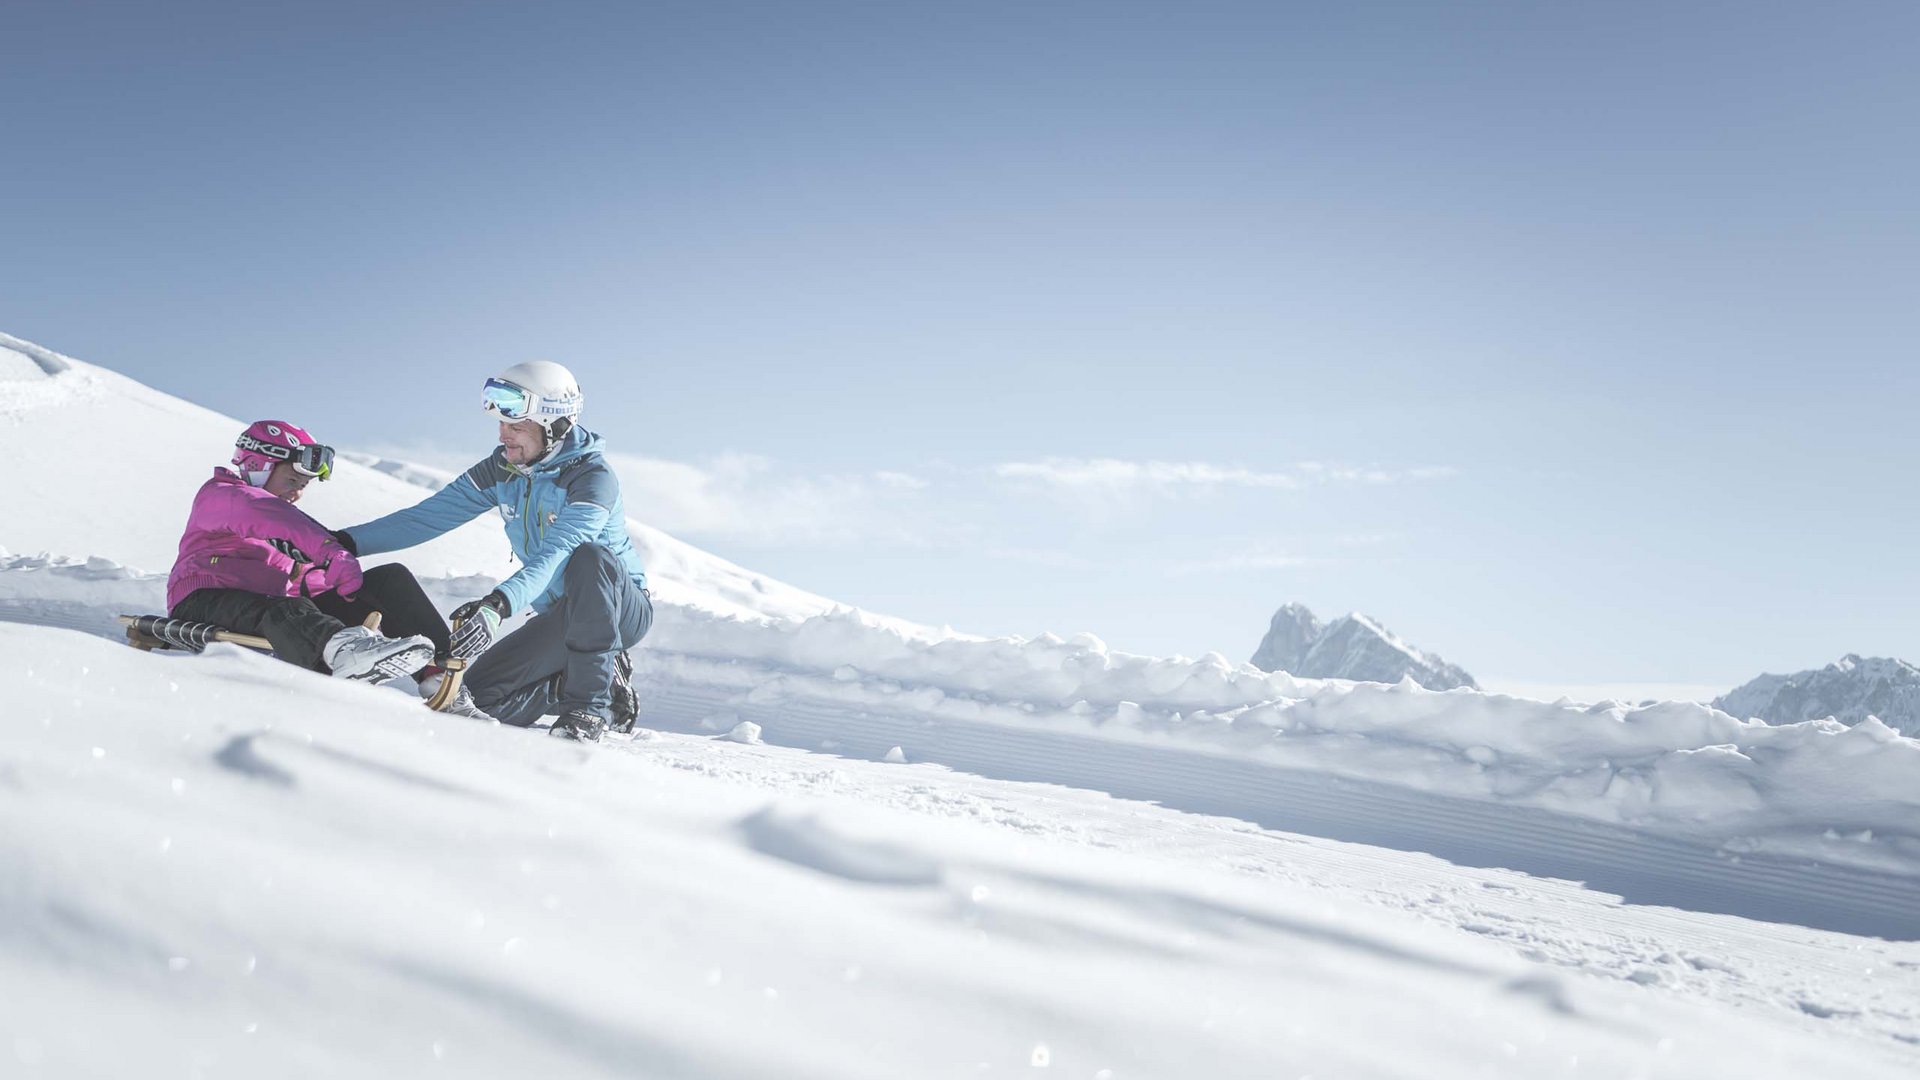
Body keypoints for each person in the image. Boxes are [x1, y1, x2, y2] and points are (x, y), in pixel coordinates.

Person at [336, 361, 651, 741]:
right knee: (477, 700)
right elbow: (425, 518)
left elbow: (559, 552)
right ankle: (591, 685)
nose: (504, 435)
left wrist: (497, 606)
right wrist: (340, 542)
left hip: (618, 610)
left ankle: (588, 707)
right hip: (560, 615)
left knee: (590, 557)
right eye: (501, 424)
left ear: (555, 426)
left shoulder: (592, 478)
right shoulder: (504, 468)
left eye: (516, 426)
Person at [167, 420, 493, 718]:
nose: (297, 492)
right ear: (258, 464)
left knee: (387, 579)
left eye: (304, 485)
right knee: (286, 609)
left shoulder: (280, 524)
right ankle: (343, 651)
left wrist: (337, 585)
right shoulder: (222, 494)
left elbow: (299, 578)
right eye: (291, 479)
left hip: (269, 606)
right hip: (202, 599)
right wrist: (330, 552)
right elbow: (266, 513)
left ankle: (440, 679)